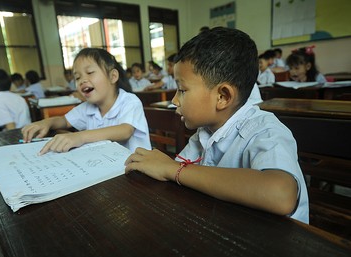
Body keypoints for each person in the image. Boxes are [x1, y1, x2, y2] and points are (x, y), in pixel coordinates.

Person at [125, 27, 308, 224]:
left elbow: (280, 194)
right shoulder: (203, 133)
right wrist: (167, 168)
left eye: (182, 90)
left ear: (222, 96)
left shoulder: (266, 130)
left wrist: (173, 169)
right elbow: (179, 175)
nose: (175, 100)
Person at [22, 48, 151, 154]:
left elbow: (125, 131)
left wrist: (81, 136)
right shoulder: (88, 107)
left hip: (136, 171)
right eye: (77, 77)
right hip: (105, 166)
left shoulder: (129, 101)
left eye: (89, 72)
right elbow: (65, 121)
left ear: (113, 76)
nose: (82, 80)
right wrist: (47, 123)